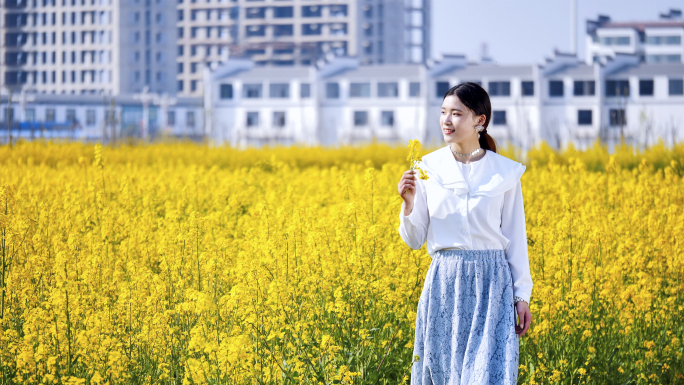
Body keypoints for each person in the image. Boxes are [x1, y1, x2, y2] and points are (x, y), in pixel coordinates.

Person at [397, 82, 533, 385]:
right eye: (443, 112)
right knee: (443, 373)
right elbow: (415, 239)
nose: (447, 120)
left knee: (487, 375)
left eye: (456, 113)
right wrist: (408, 205)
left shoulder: (505, 172)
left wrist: (521, 296)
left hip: (493, 286)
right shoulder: (427, 168)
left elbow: (515, 238)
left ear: (479, 121)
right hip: (445, 284)